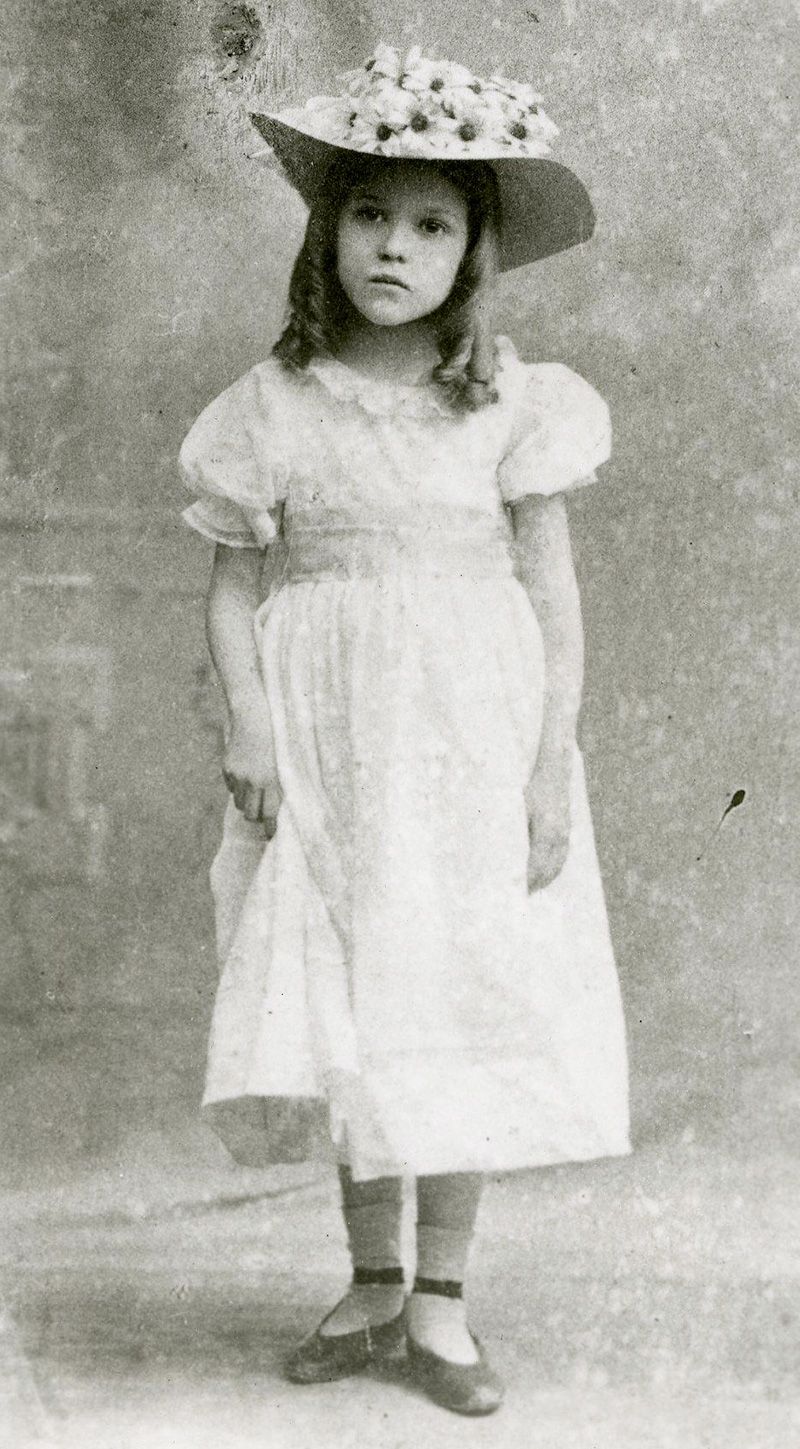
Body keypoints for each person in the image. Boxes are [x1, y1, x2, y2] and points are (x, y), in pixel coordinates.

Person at [179, 44, 631, 1416]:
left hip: (465, 742)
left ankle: (441, 1298)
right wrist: (251, 726)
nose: (394, 246)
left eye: (432, 225)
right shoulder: (273, 404)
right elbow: (233, 586)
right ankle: (371, 1281)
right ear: (329, 232)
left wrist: (546, 767)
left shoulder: (511, 402)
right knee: (352, 996)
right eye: (371, 214)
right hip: (326, 745)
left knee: (458, 987)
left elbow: (553, 599)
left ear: (471, 254)